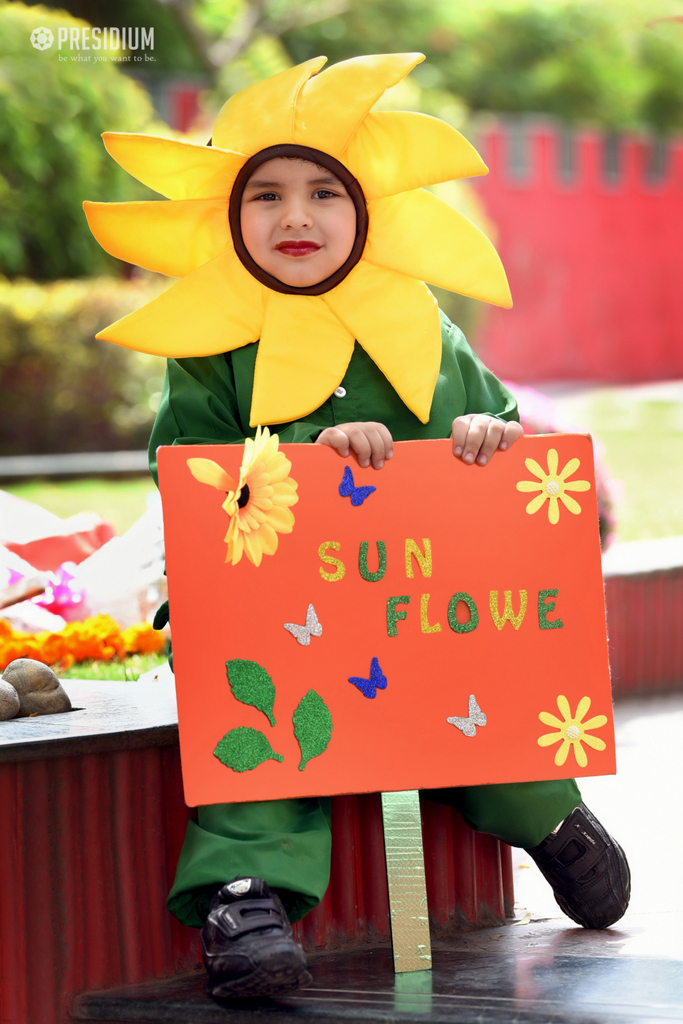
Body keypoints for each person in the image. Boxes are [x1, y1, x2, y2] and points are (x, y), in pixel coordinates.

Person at [85, 53, 630, 1001]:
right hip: (272, 616)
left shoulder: (418, 325)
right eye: (267, 197)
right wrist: (300, 456)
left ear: (367, 211)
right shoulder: (210, 348)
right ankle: (245, 893)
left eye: (323, 194)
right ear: (230, 217)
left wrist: (482, 437)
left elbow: (497, 454)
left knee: (480, 693)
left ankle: (551, 818)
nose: (295, 218)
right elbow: (192, 478)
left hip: (409, 607)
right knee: (260, 720)